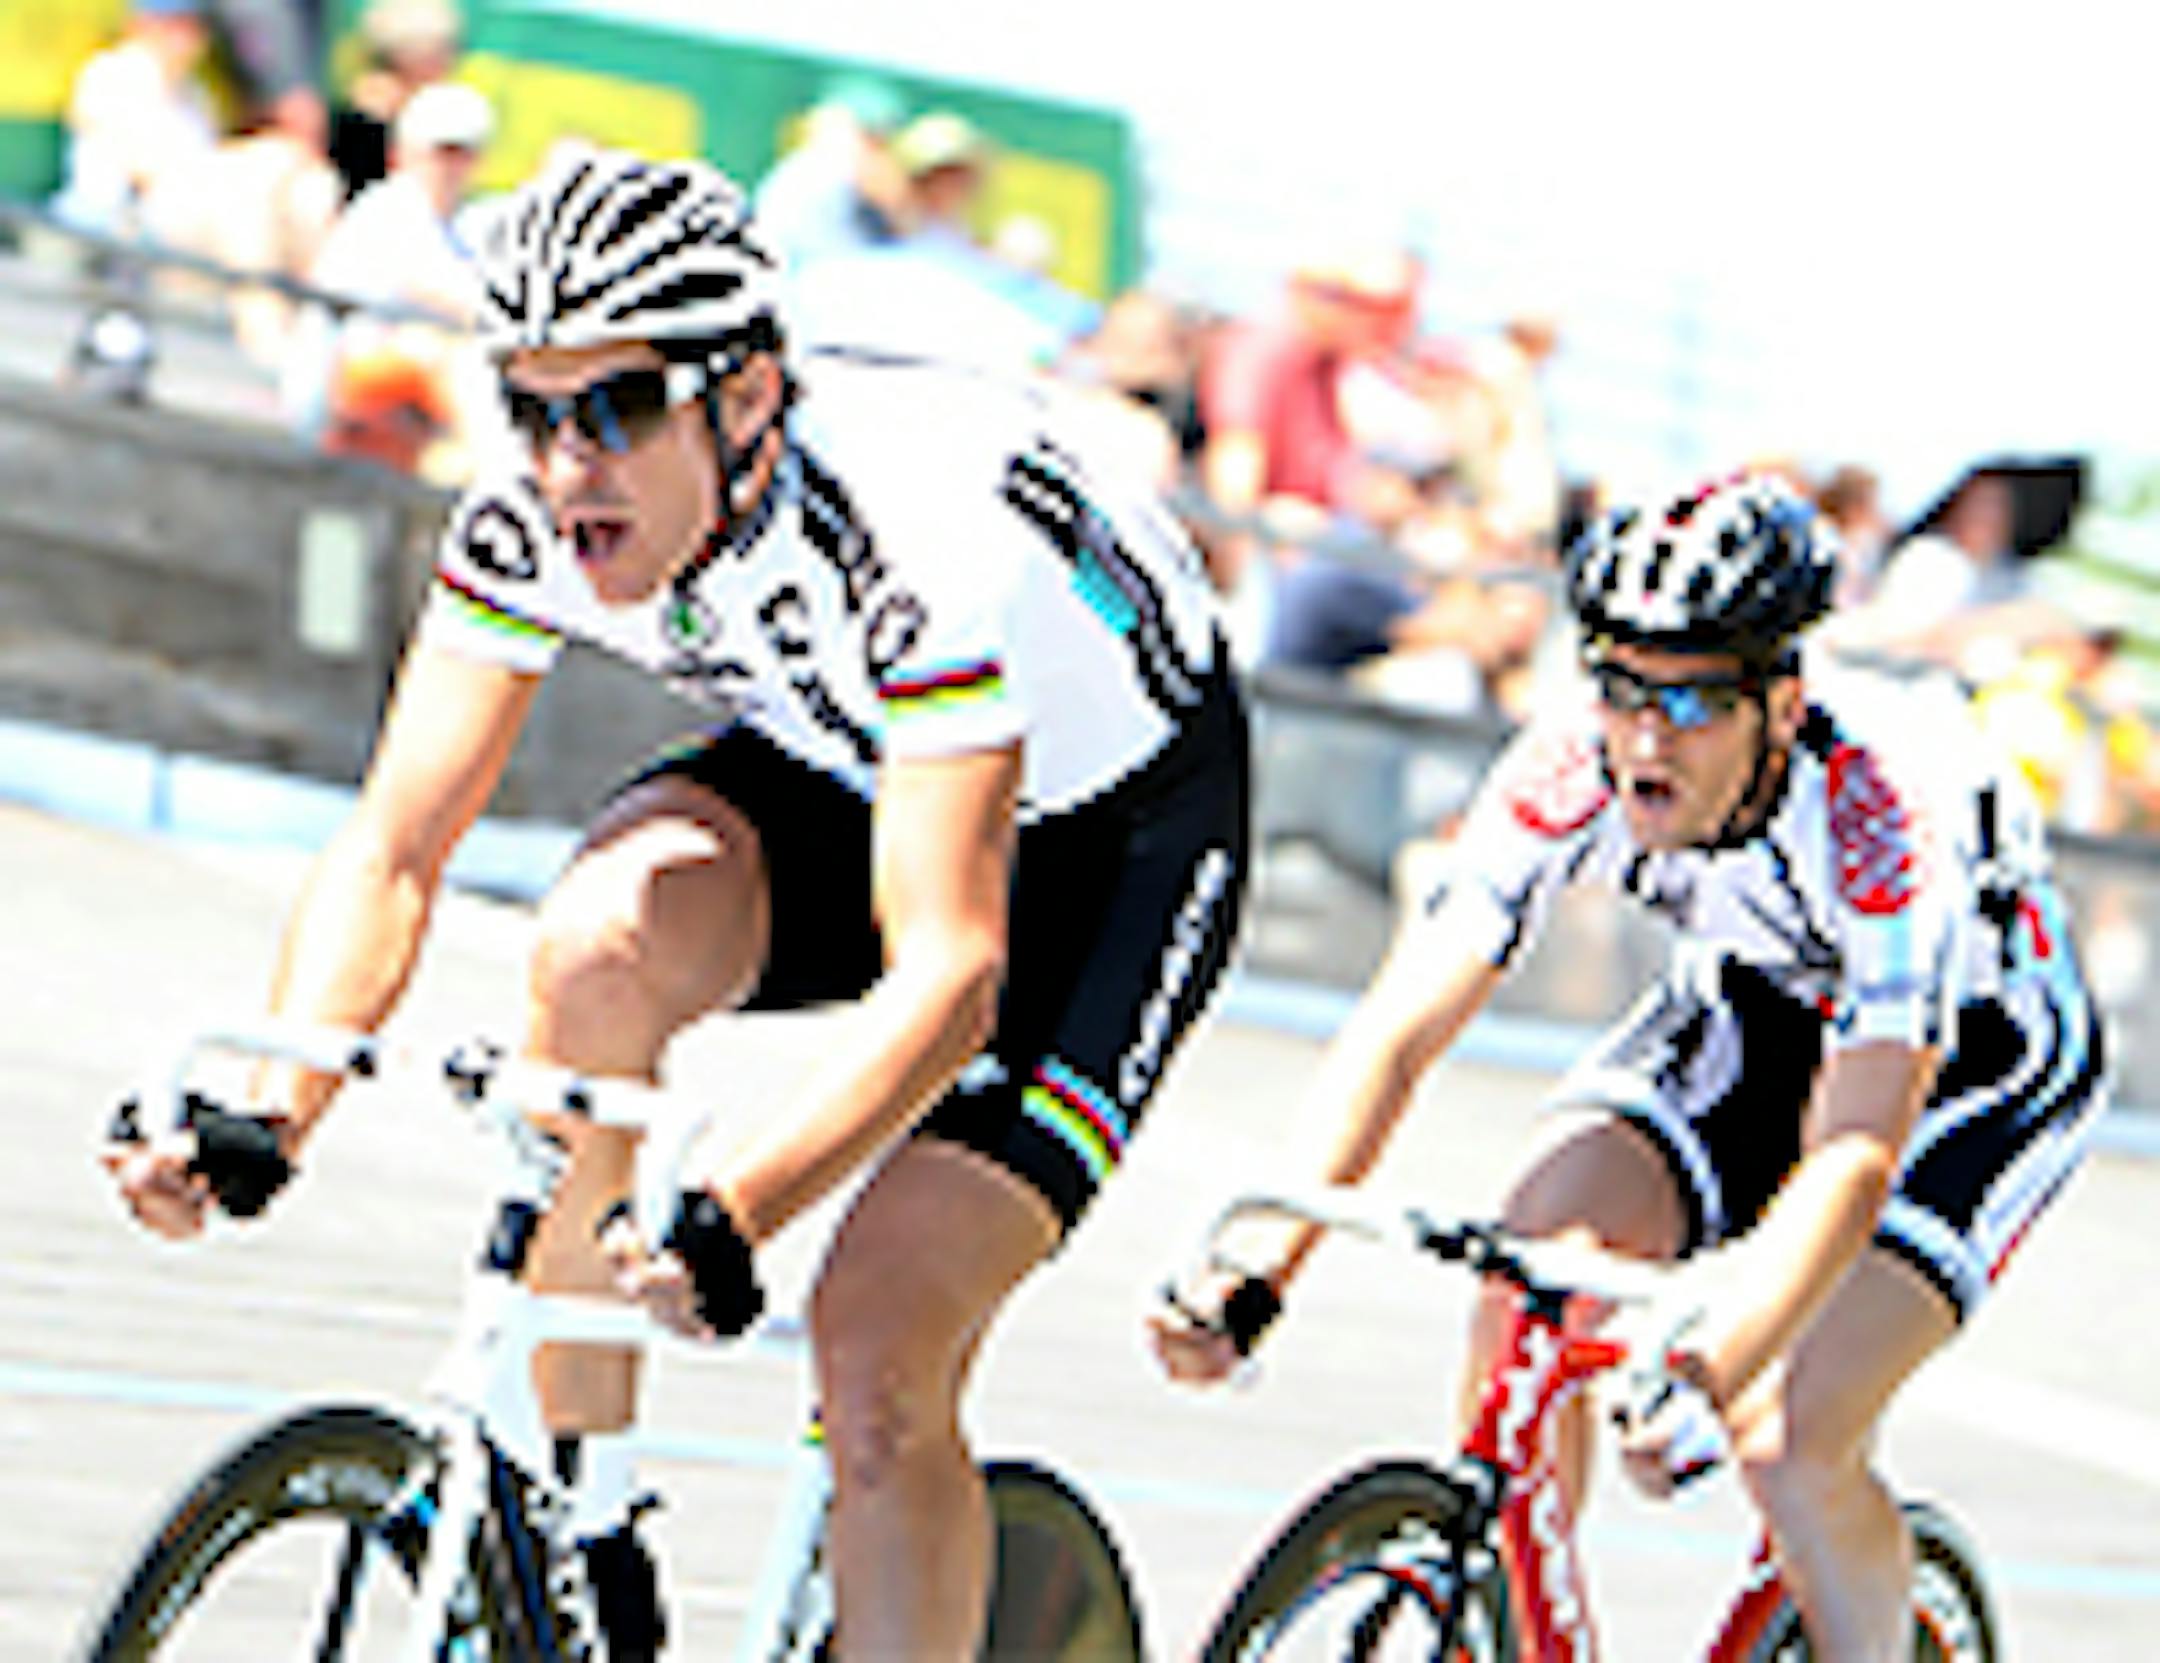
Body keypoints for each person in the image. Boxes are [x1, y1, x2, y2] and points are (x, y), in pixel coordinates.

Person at [103, 144, 1248, 1660]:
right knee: (594, 944)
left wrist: (736, 1209)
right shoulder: (532, 521)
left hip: (1112, 843)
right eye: (532, 406)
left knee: (877, 1348)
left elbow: (955, 968)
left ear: (748, 395)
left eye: (619, 406)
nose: (570, 462)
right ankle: (591, 1530)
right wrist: (272, 1105)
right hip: (848, 763)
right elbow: (394, 844)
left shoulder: (915, 543)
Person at [1151, 473, 2107, 1659]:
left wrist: (1731, 1339)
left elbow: (1860, 1148)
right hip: (1759, 1010)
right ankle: (1513, 1612)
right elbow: (1397, 1029)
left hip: (1973, 1063)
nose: (1647, 738)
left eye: (1698, 701)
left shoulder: (1879, 810)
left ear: (1782, 699)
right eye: (1622, 684)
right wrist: (1264, 1261)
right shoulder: (1571, 763)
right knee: (1534, 1265)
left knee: (1794, 1434)